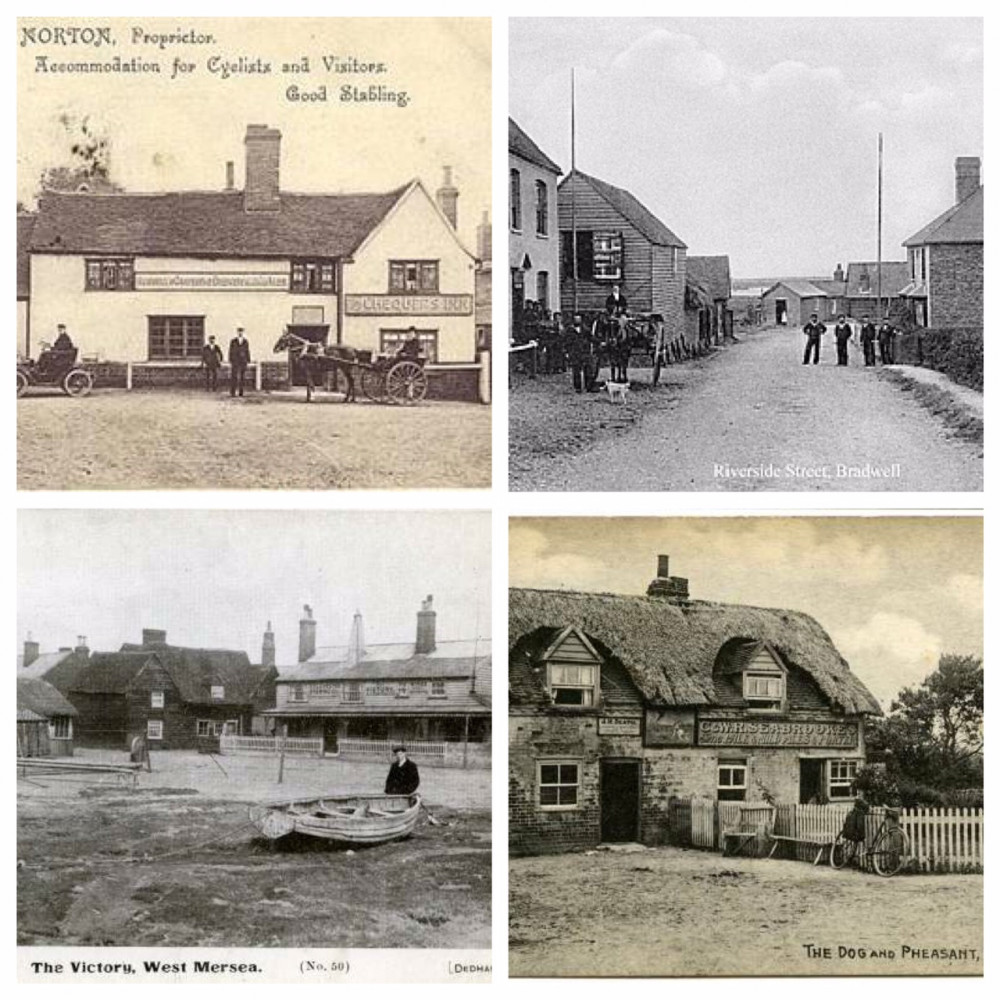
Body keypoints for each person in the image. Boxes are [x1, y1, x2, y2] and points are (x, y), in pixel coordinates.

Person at [565, 313, 594, 393]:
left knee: (587, 370)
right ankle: (578, 387)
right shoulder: (569, 330)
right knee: (576, 371)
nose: (577, 321)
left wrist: (600, 342)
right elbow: (566, 342)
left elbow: (591, 338)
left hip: (585, 352)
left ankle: (588, 386)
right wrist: (567, 352)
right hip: (575, 353)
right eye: (575, 319)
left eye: (578, 319)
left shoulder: (586, 330)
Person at [229, 327, 252, 397]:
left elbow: (247, 350)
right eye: (239, 331)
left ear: (243, 332)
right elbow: (230, 351)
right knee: (234, 376)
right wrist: (231, 359)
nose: (240, 333)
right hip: (235, 361)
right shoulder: (233, 341)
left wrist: (248, 359)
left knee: (242, 377)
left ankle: (241, 392)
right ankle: (233, 392)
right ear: (237, 332)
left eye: (241, 332)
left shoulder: (245, 341)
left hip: (243, 361)